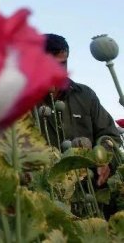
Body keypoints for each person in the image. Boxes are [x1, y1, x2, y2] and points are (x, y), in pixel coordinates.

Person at [38, 33, 120, 187]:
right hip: (44, 194)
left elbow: (110, 136)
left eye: (62, 64)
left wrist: (104, 159)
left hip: (89, 190)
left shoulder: (84, 95)